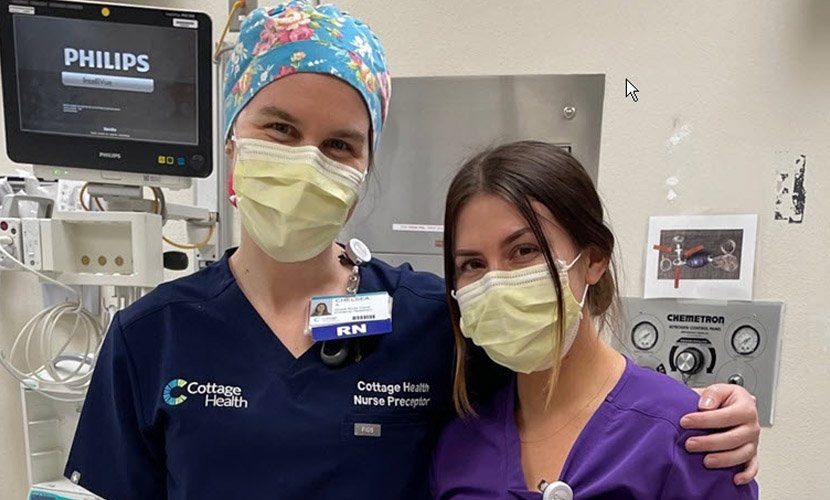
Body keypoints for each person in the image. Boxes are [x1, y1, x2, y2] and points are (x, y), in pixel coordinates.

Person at [64, 3, 759, 499]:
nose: (308, 160)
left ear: (365, 166)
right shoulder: (151, 335)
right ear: (232, 144)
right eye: (279, 128)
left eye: (339, 144)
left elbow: (566, 388)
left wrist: (702, 411)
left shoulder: (430, 320)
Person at [431, 141, 759, 499]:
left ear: (593, 259)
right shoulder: (460, 444)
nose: (495, 283)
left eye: (524, 251)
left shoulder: (687, 434)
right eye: (472, 265)